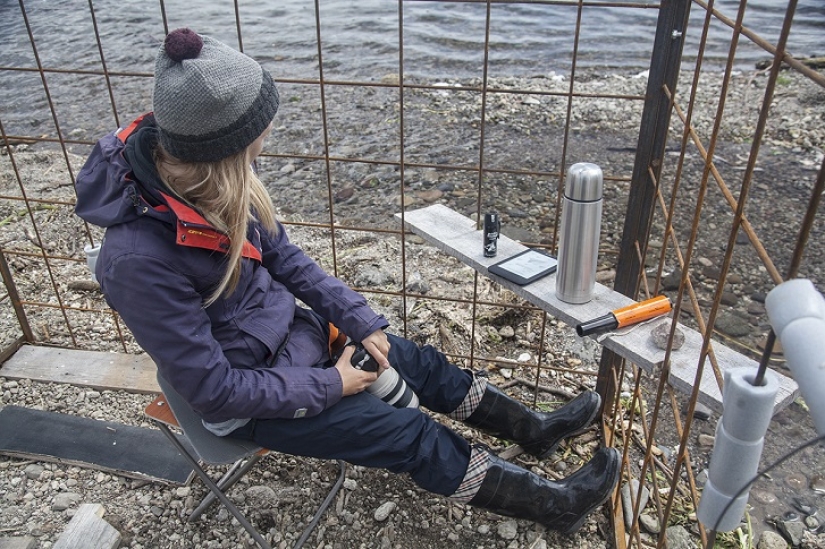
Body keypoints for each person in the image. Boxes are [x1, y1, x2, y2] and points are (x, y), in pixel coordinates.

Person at [74, 28, 620, 535]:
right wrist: (335, 384)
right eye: (259, 133)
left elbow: (286, 257)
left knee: (419, 363)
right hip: (251, 399)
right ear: (228, 148)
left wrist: (357, 319)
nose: (267, 137)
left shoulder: (214, 176)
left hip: (300, 340)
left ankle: (536, 431)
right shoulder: (136, 262)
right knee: (411, 436)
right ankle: (557, 507)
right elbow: (214, 392)